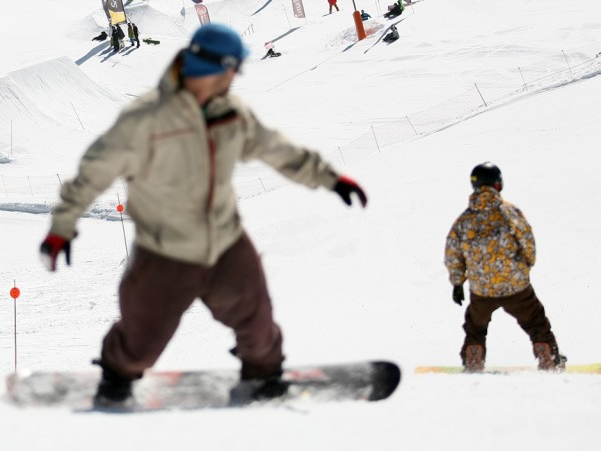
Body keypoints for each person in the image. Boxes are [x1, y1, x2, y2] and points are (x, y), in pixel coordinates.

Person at [40, 23, 368, 408]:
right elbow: (91, 175)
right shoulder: (144, 121)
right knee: (140, 347)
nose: (235, 78)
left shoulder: (230, 114)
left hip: (226, 243)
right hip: (166, 254)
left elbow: (277, 150)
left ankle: (263, 374)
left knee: (258, 326)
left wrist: (331, 179)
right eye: (233, 69)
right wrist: (62, 228)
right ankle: (116, 372)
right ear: (213, 66)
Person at [445, 162, 566, 373]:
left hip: (482, 290)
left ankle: (474, 357)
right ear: (498, 185)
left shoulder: (464, 220)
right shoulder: (509, 212)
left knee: (475, 326)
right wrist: (526, 265)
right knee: (536, 322)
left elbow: (453, 253)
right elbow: (527, 240)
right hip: (515, 286)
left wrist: (457, 283)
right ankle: (548, 356)